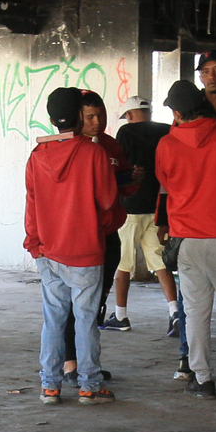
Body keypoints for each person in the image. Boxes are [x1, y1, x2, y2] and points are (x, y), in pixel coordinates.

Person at [155, 79, 216, 399]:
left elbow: (165, 183)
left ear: (177, 113)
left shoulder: (167, 144)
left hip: (187, 239)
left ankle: (202, 378)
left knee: (195, 312)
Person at [24, 86, 118, 405]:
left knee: (53, 320)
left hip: (48, 252)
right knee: (86, 321)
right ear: (79, 116)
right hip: (86, 252)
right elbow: (108, 201)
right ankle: (89, 386)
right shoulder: (94, 153)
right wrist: (99, 228)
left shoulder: (37, 156)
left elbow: (31, 203)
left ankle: (49, 386)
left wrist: (34, 243)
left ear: (52, 119)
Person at [60, 93, 133, 378]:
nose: (96, 122)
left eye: (100, 115)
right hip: (77, 238)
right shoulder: (65, 148)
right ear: (77, 117)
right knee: (71, 305)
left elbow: (122, 189)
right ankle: (70, 363)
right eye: (89, 116)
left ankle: (88, 364)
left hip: (108, 234)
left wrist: (132, 180)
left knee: (96, 303)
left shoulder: (110, 145)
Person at [108, 95, 179, 337]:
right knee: (160, 263)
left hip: (130, 207)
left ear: (129, 115)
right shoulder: (166, 131)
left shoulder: (125, 132)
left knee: (123, 264)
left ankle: (120, 315)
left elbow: (119, 167)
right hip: (158, 206)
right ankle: (174, 312)